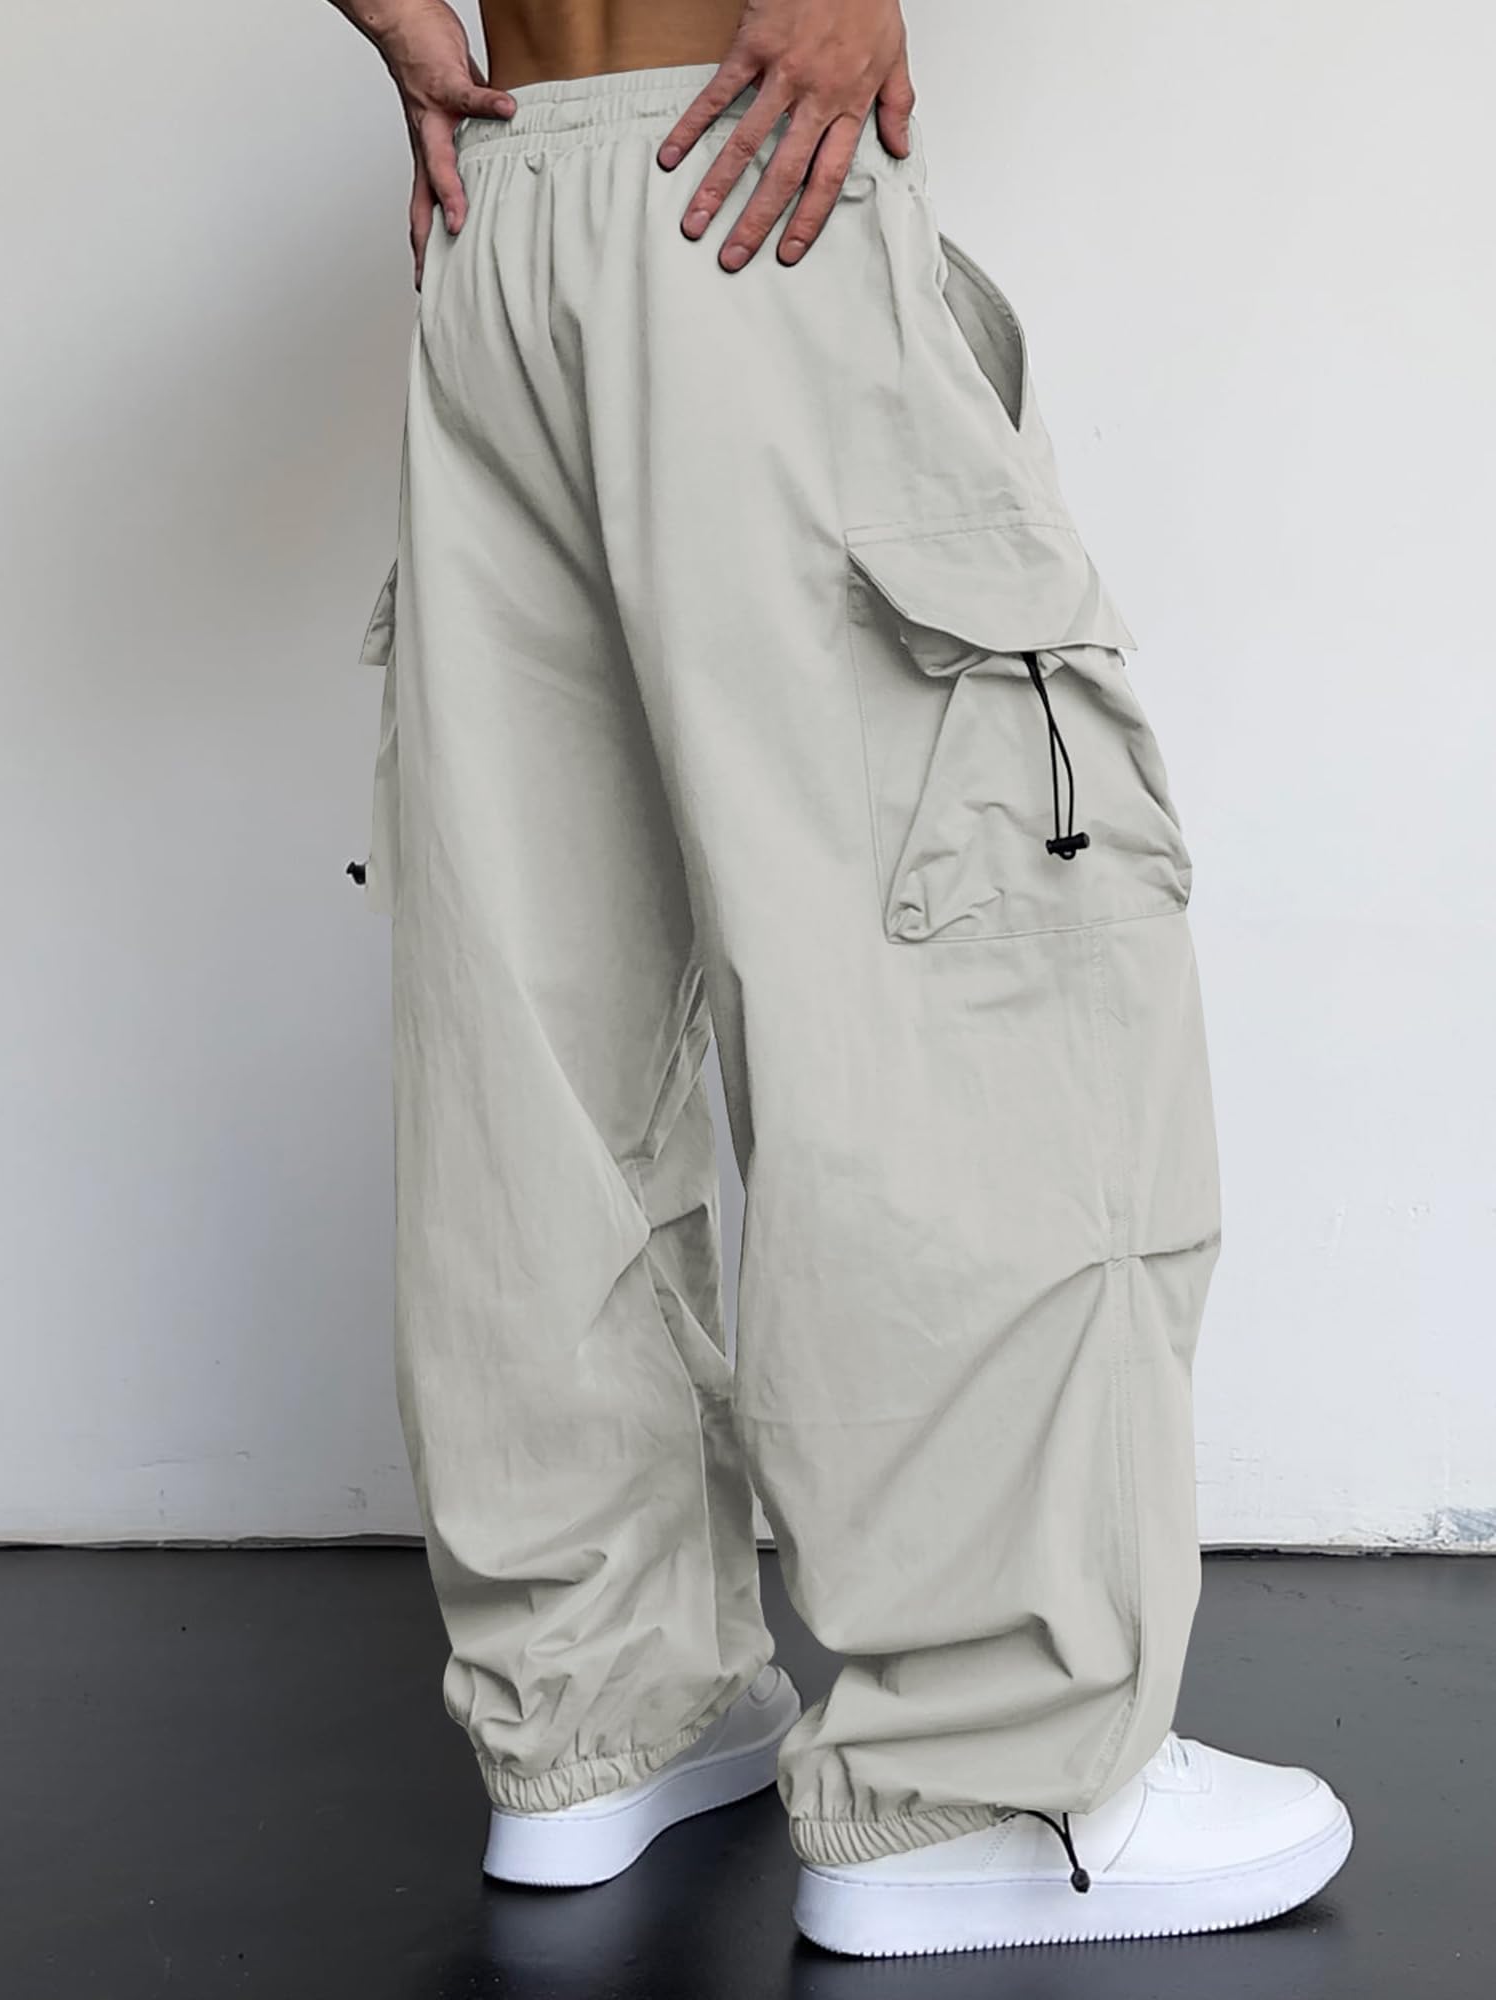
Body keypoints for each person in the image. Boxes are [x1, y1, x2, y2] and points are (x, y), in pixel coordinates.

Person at [327, 0, 1352, 1959]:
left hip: (506, 198)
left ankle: (597, 1712)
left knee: (537, 1014)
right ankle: (991, 1780)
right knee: (952, 992)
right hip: (748, 179)